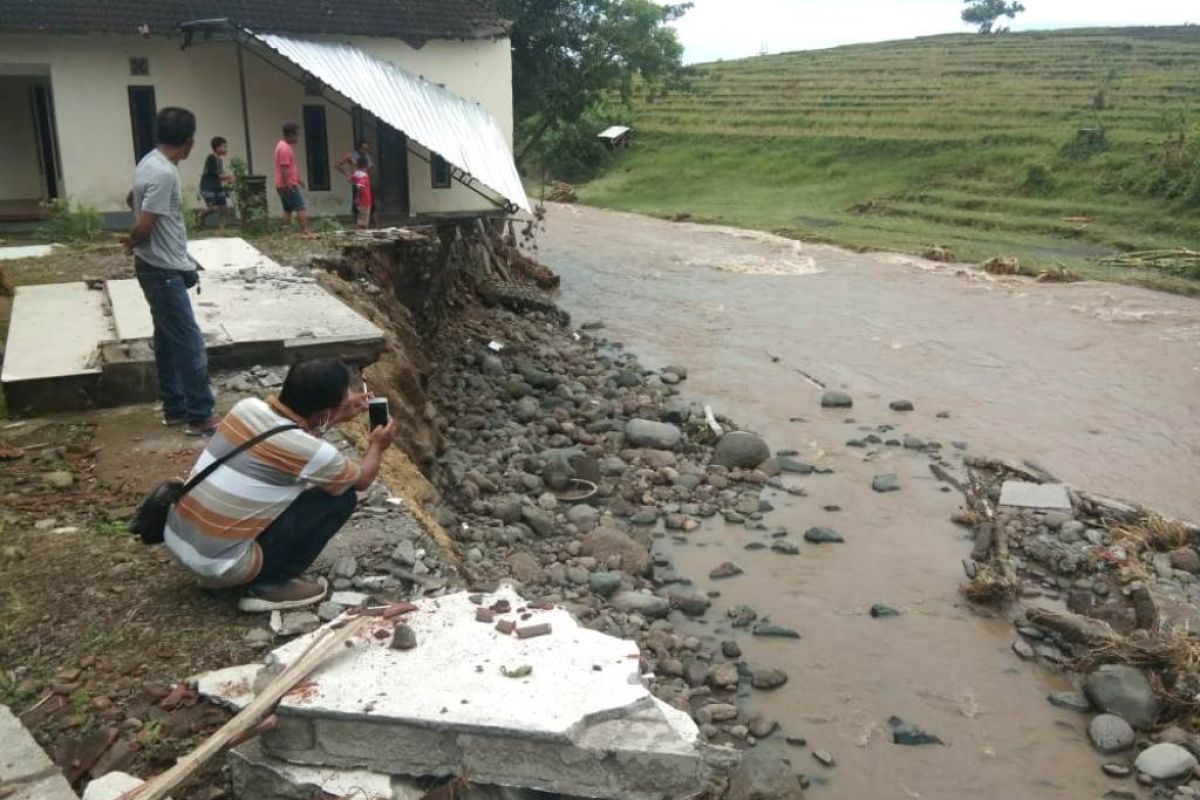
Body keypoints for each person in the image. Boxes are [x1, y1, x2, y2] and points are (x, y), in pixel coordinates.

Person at [164, 358, 396, 611]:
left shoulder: (246, 407)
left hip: (179, 540)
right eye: (344, 398)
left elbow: (296, 435)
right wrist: (377, 445)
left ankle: (222, 568)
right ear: (325, 410)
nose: (351, 398)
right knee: (341, 497)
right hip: (221, 566)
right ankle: (270, 585)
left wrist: (334, 415)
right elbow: (362, 480)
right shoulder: (313, 453)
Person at [123, 107, 218, 437]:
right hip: (161, 270)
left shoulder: (148, 162)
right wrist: (132, 240)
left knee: (166, 340)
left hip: (158, 266)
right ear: (189, 142)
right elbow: (145, 224)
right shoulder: (164, 173)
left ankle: (175, 409)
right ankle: (200, 415)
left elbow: (131, 198)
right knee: (190, 342)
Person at [274, 122, 313, 238]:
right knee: (300, 207)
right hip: (287, 184)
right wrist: (289, 183)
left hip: (282, 184)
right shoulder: (285, 148)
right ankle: (305, 230)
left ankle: (286, 232)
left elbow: (290, 167)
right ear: (291, 134)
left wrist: (299, 179)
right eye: (296, 135)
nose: (298, 138)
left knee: (287, 209)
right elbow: (284, 168)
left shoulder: (282, 146)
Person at [197, 136, 232, 228]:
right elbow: (216, 174)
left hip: (217, 186)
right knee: (211, 207)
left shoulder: (219, 160)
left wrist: (227, 176)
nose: (226, 149)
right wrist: (228, 177)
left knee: (224, 207)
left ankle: (222, 227)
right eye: (224, 147)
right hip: (208, 186)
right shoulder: (211, 158)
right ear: (217, 148)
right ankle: (200, 216)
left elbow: (220, 174)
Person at [336, 140, 374, 223]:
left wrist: (369, 178)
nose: (365, 151)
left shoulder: (367, 156)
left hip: (364, 179)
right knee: (359, 204)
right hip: (357, 180)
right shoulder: (351, 156)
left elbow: (371, 168)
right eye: (363, 149)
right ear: (359, 148)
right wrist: (346, 174)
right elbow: (338, 165)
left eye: (366, 149)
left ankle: (367, 223)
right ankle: (359, 223)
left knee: (368, 204)